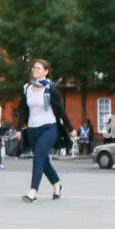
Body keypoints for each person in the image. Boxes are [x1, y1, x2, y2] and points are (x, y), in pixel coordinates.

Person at [20, 58, 73, 202]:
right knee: (43, 160)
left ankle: (33, 191)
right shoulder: (27, 88)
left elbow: (60, 110)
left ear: (46, 72)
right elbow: (23, 110)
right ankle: (57, 184)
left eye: (39, 68)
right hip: (32, 129)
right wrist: (21, 127)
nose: (35, 70)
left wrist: (70, 128)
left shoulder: (51, 89)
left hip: (49, 127)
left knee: (38, 157)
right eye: (34, 68)